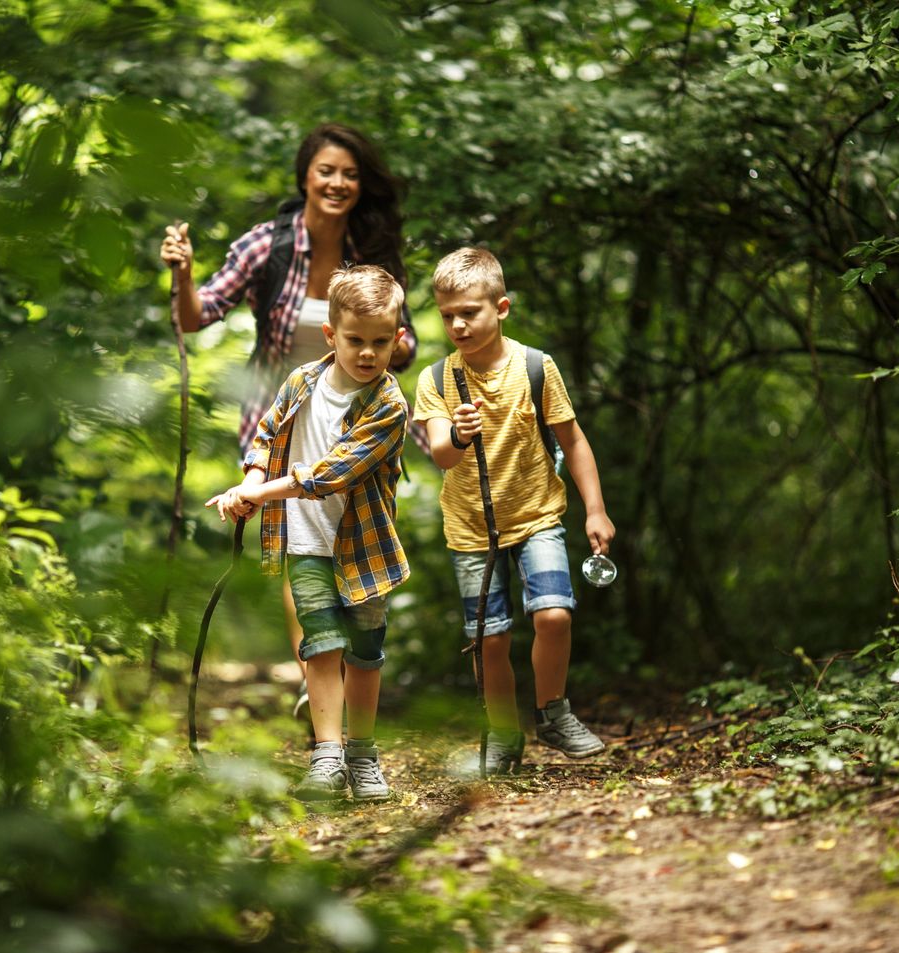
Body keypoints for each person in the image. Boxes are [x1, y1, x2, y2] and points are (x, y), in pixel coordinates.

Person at [160, 123, 417, 714]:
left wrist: (380, 345)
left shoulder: (370, 250)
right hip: (283, 414)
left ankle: (346, 662)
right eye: (327, 170)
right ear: (305, 174)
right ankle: (316, 674)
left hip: (358, 415)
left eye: (351, 174)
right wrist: (182, 274)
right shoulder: (265, 246)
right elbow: (197, 316)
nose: (339, 182)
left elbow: (405, 343)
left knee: (354, 530)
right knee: (298, 539)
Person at [206, 264, 409, 800]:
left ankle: (363, 756)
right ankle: (327, 755)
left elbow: (331, 473)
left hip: (364, 549)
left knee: (364, 654)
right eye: (355, 340)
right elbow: (267, 432)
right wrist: (250, 479)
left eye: (381, 342)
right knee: (320, 648)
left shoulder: (389, 405)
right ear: (330, 335)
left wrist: (258, 493)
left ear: (398, 339)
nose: (368, 353)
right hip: (304, 544)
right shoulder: (302, 382)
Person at [413, 247, 615, 775]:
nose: (458, 324)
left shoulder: (534, 367)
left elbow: (572, 442)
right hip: (470, 524)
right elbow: (440, 453)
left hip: (537, 514)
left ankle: (552, 712)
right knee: (489, 638)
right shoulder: (436, 379)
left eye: (469, 312)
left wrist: (596, 509)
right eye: (447, 315)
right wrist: (458, 432)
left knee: (553, 614)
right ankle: (503, 733)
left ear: (500, 308)